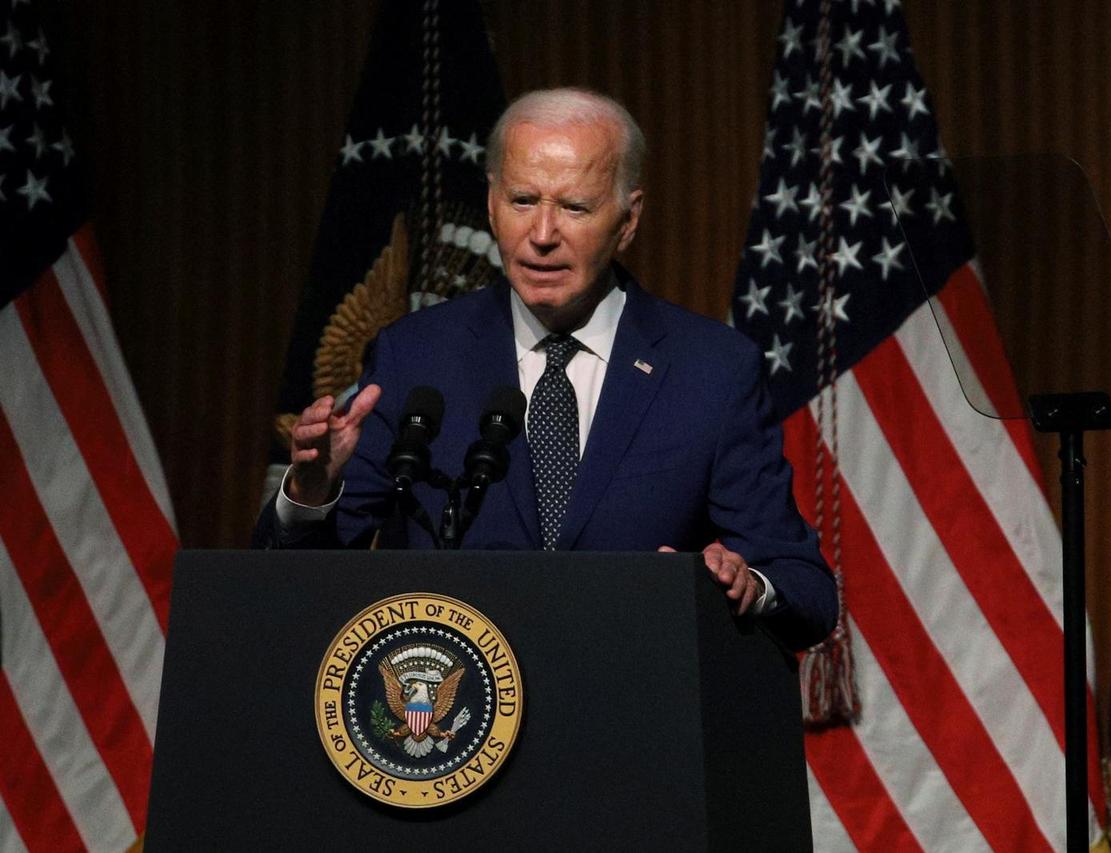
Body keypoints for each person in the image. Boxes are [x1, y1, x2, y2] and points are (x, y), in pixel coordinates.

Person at [254, 88, 836, 649]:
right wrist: (310, 491)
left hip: (636, 715)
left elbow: (806, 591)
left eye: (574, 207)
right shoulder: (415, 354)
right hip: (454, 730)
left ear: (628, 219)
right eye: (522, 201)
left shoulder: (711, 370)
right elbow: (298, 592)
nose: (541, 237)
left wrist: (743, 585)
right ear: (490, 202)